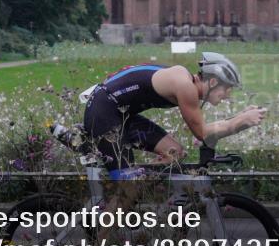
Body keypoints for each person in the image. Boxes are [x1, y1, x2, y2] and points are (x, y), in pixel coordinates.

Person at [81, 52, 265, 178]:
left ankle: (132, 188)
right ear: (213, 81)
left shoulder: (186, 82)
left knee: (174, 153)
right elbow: (203, 134)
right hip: (103, 114)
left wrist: (239, 119)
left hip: (120, 115)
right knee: (129, 189)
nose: (228, 96)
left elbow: (203, 129)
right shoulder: (185, 86)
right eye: (227, 89)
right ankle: (102, 234)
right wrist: (240, 121)